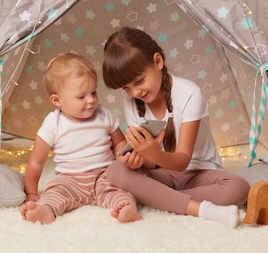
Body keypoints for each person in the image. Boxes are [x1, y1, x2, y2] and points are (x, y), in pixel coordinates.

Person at [102, 27, 250, 228]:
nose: (135, 92)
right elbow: (151, 164)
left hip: (201, 174)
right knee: (115, 170)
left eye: (139, 81)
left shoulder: (189, 94)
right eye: (126, 88)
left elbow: (182, 161)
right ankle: (200, 208)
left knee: (238, 188)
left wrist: (153, 154)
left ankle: (156, 198)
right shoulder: (132, 102)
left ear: (157, 61)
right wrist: (139, 161)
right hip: (164, 175)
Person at [20, 52, 142, 224]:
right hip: (70, 178)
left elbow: (119, 142)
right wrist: (31, 193)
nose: (91, 100)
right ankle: (46, 211)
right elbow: (36, 162)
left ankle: (127, 209)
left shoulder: (104, 115)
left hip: (105, 174)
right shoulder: (53, 123)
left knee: (120, 189)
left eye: (93, 92)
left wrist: (123, 155)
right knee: (55, 191)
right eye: (81, 96)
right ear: (57, 100)